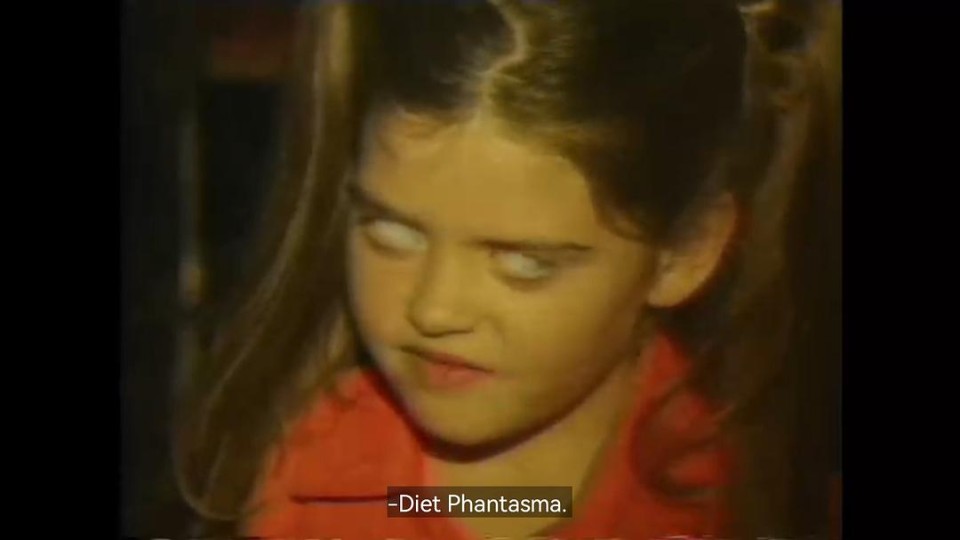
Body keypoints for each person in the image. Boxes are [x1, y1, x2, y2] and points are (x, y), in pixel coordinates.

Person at [173, 1, 839, 538]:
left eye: (524, 264)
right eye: (391, 234)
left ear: (684, 253)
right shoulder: (318, 487)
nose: (434, 308)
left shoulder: (749, 486)